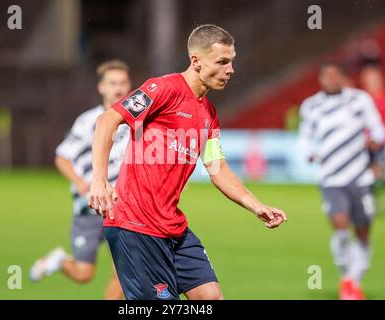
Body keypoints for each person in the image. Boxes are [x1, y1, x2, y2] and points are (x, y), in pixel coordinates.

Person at [88, 24, 287, 300]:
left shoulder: (209, 114)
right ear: (196, 61)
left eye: (231, 62)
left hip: (172, 226)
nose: (231, 70)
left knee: (210, 296)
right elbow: (107, 120)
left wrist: (256, 206)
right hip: (134, 225)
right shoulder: (163, 88)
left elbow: (217, 169)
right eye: (222, 62)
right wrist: (98, 178)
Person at [29, 60, 132, 300]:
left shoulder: (137, 121)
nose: (118, 88)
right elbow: (62, 157)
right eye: (112, 83)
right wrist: (80, 182)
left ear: (129, 86)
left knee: (123, 272)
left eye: (122, 83)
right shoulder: (89, 121)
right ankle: (60, 261)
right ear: (101, 88)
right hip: (90, 207)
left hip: (124, 208)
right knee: (84, 273)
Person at [298, 63, 385, 300]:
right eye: (327, 77)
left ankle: (353, 280)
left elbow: (377, 129)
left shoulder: (360, 100)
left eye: (335, 76)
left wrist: (378, 149)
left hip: (360, 176)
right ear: (320, 80)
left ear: (342, 78)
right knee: (340, 225)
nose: (331, 80)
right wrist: (309, 152)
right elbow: (305, 136)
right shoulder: (312, 106)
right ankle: (347, 278)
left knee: (363, 230)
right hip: (331, 177)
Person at [360, 64, 385, 180]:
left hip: (384, 141)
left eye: (374, 78)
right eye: (368, 78)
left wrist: (381, 140)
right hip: (365, 142)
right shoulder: (361, 99)